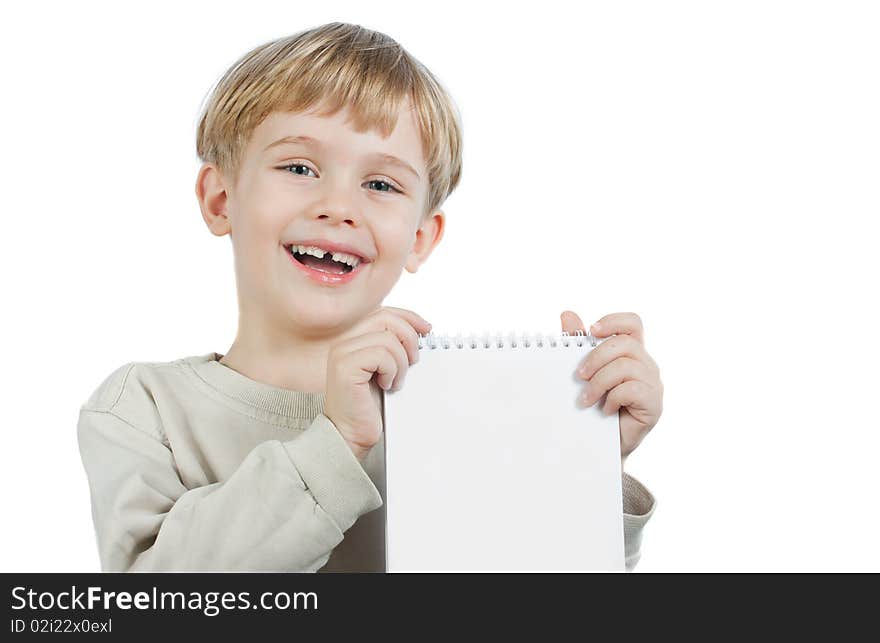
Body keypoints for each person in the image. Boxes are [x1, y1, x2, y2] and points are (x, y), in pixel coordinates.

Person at [77, 22, 662, 573]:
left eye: (380, 184)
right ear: (220, 199)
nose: (339, 206)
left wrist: (584, 461)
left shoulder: (462, 408)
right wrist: (335, 440)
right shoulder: (144, 408)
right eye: (299, 166)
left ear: (420, 238)